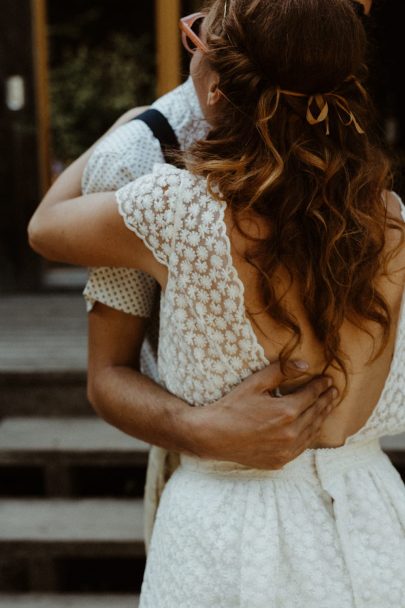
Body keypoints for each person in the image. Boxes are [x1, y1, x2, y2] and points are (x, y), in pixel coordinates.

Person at [29, 0, 405, 605]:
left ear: (216, 94)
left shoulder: (174, 208)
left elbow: (44, 228)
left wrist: (121, 125)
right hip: (370, 522)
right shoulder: (388, 219)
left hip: (225, 533)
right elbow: (341, 421)